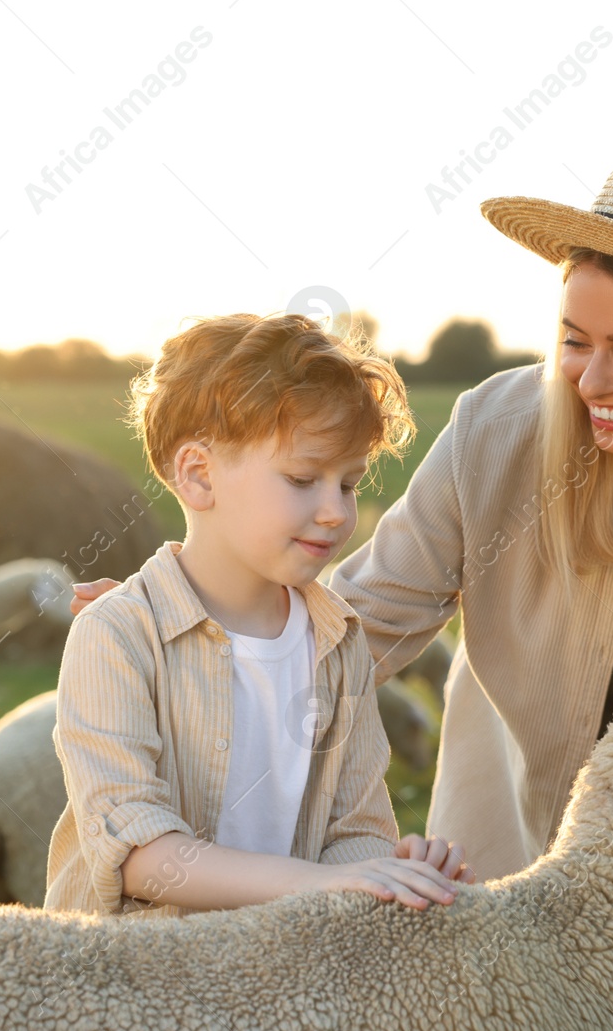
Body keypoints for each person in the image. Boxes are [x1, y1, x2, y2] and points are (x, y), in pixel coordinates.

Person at [73, 162, 613, 882]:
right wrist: (191, 621)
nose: (592, 379)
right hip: (504, 811)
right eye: (573, 341)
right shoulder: (497, 433)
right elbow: (372, 615)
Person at [44, 312, 473, 920]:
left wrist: (385, 871)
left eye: (349, 484)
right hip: (131, 989)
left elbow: (355, 832)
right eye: (302, 478)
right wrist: (322, 883)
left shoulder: (338, 641)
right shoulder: (117, 634)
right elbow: (141, 858)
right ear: (198, 475)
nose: (334, 512)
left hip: (276, 986)